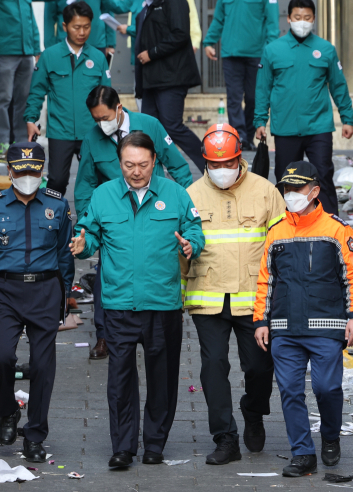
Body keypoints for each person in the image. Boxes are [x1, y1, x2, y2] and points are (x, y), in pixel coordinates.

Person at [69, 132, 205, 468]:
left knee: (163, 378)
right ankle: (124, 447)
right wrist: (81, 245)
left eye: (142, 165)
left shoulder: (176, 195)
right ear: (120, 163)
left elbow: (195, 229)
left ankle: (155, 444)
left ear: (154, 162)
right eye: (129, 164)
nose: (136, 171)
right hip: (118, 305)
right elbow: (89, 235)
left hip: (162, 305)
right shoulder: (103, 196)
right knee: (120, 380)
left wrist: (191, 245)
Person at [182, 123, 286, 465]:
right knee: (213, 366)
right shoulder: (192, 195)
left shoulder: (266, 191)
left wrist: (281, 298)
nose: (222, 171)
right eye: (215, 165)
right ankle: (225, 438)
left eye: (228, 164)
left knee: (258, 367)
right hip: (207, 295)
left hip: (253, 299)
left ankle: (253, 412)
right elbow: (179, 247)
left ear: (240, 159)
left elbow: (282, 247)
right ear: (205, 163)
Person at [253, 160, 353, 477]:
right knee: (289, 391)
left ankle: (330, 435)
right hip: (284, 329)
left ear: (315, 191)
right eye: (287, 188)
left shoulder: (337, 231)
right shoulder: (276, 233)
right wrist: (260, 321)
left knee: (327, 388)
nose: (290, 194)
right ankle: (302, 453)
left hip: (326, 328)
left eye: (297, 188)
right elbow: (265, 281)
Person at [0, 142, 75, 462]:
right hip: (5, 292)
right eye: (21, 171)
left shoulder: (57, 206)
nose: (27, 176)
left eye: (34, 171)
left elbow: (64, 255)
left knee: (43, 367)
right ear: (9, 171)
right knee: (1, 356)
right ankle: (7, 411)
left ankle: (35, 434)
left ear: (42, 173)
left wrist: (65, 294)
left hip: (45, 293)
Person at [75, 85, 194, 360]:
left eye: (105, 118)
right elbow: (84, 185)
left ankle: (156, 327)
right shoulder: (92, 139)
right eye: (96, 119)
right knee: (110, 275)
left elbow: (177, 165)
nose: (101, 124)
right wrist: (85, 226)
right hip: (115, 216)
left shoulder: (149, 124)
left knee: (156, 269)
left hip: (154, 212)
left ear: (119, 109)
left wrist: (190, 203)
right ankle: (106, 335)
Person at [254, 0, 353, 215]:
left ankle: (330, 229)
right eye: (298, 18)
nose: (302, 22)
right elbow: (263, 88)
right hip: (285, 128)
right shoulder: (273, 50)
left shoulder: (326, 49)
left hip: (319, 127)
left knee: (324, 176)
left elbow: (338, 85)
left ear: (314, 19)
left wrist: (347, 118)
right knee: (285, 179)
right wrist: (260, 121)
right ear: (288, 18)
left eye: (307, 18)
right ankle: (286, 226)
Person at [24, 1, 111, 198]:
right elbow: (37, 91)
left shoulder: (98, 58)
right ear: (65, 26)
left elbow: (107, 96)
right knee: (57, 181)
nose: (82, 32)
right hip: (60, 131)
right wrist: (31, 120)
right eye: (76, 27)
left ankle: (90, 225)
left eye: (87, 27)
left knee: (94, 181)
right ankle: (54, 222)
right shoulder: (49, 56)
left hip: (92, 131)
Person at [134, 0, 206, 173]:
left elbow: (180, 33)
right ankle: (153, 177)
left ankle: (211, 166)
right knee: (149, 131)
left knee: (172, 126)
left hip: (172, 77)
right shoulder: (146, 7)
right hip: (151, 80)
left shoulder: (175, 2)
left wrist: (152, 53)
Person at [203, 0, 279, 150]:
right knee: (234, 98)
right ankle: (239, 137)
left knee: (253, 97)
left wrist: (271, 49)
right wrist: (209, 42)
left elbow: (272, 22)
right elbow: (219, 18)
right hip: (231, 54)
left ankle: (249, 136)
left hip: (257, 54)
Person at [0, 0, 41, 154]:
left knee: (24, 99)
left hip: (26, 52)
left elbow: (31, 20)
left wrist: (36, 47)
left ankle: (21, 141)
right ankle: (2, 142)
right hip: (4, 51)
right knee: (3, 98)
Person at [43, 0, 130, 55]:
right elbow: (49, 19)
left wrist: (110, 44)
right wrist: (49, 48)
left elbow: (107, 13)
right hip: (66, 46)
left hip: (96, 44)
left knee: (96, 82)